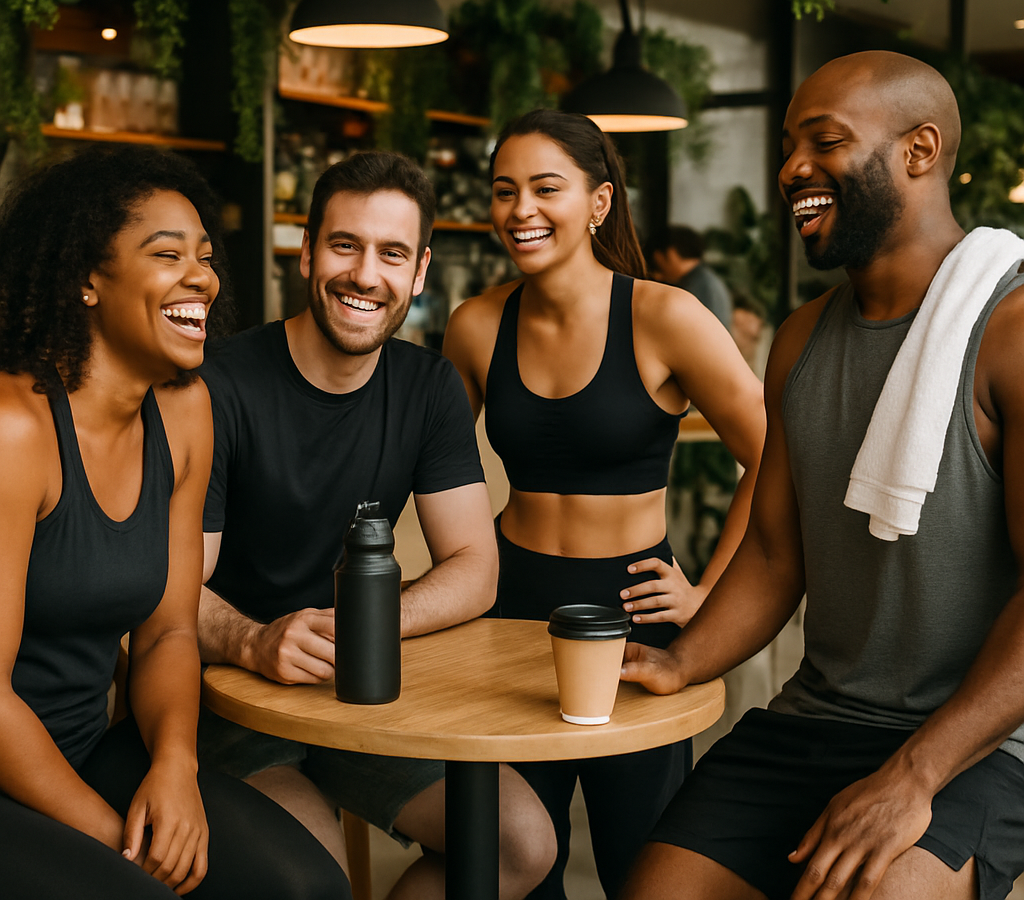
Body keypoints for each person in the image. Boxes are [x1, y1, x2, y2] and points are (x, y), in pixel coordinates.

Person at [620, 50, 1024, 900]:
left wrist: (914, 776)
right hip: (820, 719)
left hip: (979, 741)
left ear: (920, 151)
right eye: (787, 145)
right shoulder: (799, 341)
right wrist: (683, 661)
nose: (791, 169)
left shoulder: (1011, 331)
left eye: (824, 141)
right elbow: (774, 554)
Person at [197, 151, 556, 900]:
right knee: (316, 882)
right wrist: (253, 640)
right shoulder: (218, 385)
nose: (366, 275)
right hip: (231, 698)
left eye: (392, 253)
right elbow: (167, 587)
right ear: (306, 251)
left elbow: (474, 567)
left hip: (361, 686)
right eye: (344, 245)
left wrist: (369, 623)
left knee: (519, 845)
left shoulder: (426, 387)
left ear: (419, 273)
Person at [0, 145, 351, 900]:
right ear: (85, 280)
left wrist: (175, 766)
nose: (203, 276)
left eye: (205, 255)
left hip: (87, 747)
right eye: (168, 255)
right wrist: (106, 840)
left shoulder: (185, 410)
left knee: (307, 886)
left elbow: (168, 631)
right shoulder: (14, 429)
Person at [442, 110, 766, 900]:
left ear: (598, 202)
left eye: (545, 188)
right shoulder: (477, 325)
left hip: (632, 613)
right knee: (517, 862)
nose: (521, 210)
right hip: (508, 610)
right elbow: (430, 467)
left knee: (640, 867)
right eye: (503, 191)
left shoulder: (667, 317)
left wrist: (707, 595)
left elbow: (776, 459)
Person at [647, 226, 733, 329]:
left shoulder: (696, 286)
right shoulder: (703, 279)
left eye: (657, 263)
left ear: (671, 254)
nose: (657, 275)